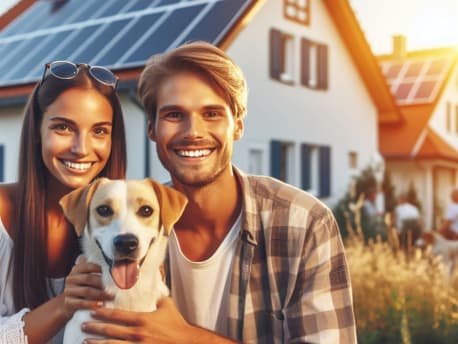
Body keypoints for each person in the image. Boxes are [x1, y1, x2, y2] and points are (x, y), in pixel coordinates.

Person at [81, 41, 357, 343]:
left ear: (237, 125)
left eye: (212, 113)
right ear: (152, 129)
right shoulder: (118, 233)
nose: (193, 132)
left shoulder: (303, 223)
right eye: (174, 115)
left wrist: (189, 339)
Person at [0, 61, 127, 343]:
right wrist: (65, 303)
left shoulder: (126, 228)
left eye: (100, 131)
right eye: (63, 128)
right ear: (37, 132)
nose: (81, 149)